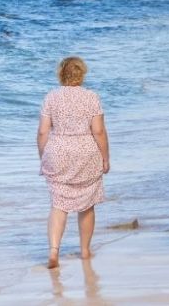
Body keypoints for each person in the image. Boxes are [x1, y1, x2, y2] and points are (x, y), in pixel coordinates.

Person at [36, 55, 109, 269]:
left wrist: (44, 156)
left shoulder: (51, 97)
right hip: (86, 153)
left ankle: (53, 251)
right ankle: (85, 250)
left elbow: (42, 132)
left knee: (59, 204)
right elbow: (98, 131)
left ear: (61, 74)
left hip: (58, 152)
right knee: (87, 204)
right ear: (82, 74)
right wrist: (106, 157)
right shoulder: (91, 97)